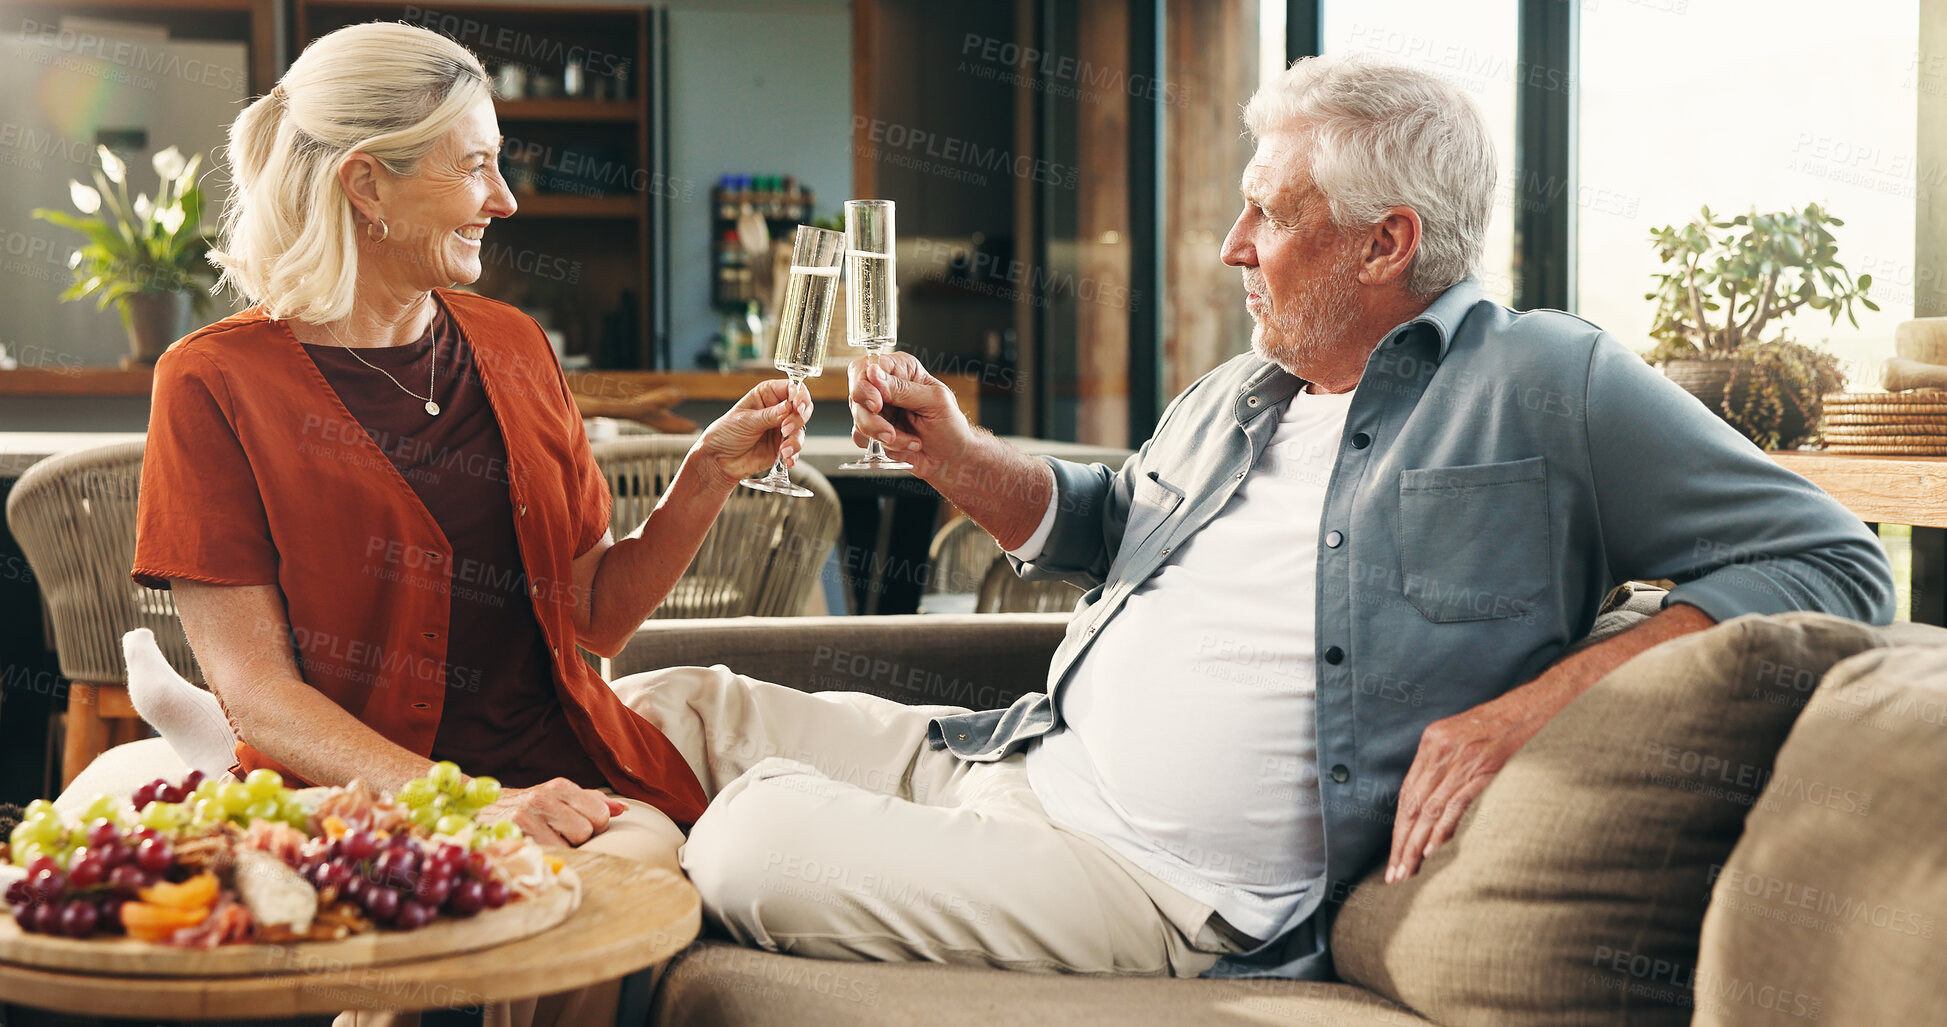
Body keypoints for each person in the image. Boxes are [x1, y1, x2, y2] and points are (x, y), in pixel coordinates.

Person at [612, 52, 1894, 982]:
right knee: (655, 701)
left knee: (752, 837)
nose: (1231, 244)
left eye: (1269, 214)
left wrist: (1526, 710)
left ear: (1385, 243)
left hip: (1166, 885)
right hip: (1014, 760)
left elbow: (1832, 562)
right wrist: (960, 457)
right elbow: (1116, 520)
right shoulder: (1244, 390)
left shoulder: (1549, 382)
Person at [127, 22, 809, 1023]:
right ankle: (176, 707)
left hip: (554, 763)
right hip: (365, 787)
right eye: (478, 166)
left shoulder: (513, 344)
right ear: (368, 186)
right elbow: (266, 701)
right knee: (491, 886)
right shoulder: (213, 381)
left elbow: (591, 622)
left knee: (625, 881)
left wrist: (704, 476)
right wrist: (474, 802)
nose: (506, 199)